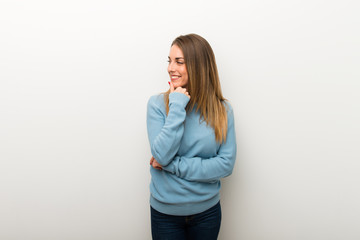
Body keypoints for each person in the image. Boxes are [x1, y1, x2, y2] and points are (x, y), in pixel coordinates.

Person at [146, 33, 237, 240]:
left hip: (207, 213)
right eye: (169, 61)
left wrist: (171, 165)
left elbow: (225, 165)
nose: (171, 68)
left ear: (198, 66)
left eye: (179, 62)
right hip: (165, 215)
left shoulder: (223, 110)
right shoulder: (157, 105)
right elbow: (161, 152)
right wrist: (177, 104)